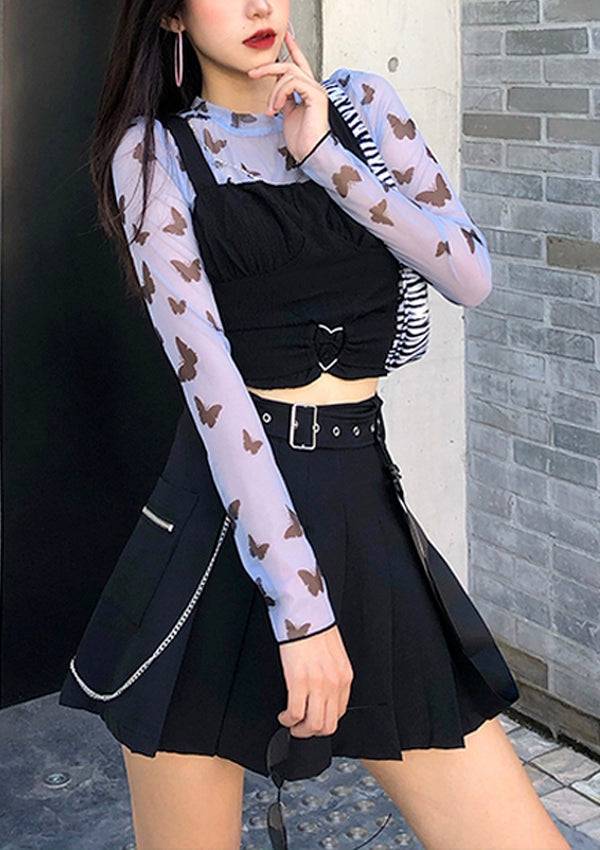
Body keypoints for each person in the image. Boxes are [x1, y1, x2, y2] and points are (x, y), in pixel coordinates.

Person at [58, 1, 571, 849]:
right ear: (172, 16)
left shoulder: (362, 106)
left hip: (360, 510)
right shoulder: (150, 154)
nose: (260, 4)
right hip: (218, 534)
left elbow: (470, 275)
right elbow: (212, 389)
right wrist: (303, 615)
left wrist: (327, 156)